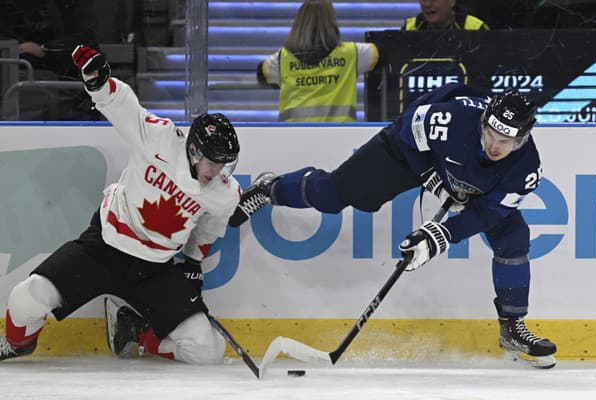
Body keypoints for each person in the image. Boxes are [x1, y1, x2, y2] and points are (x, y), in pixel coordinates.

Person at [228, 82, 558, 368]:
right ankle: (270, 188)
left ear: (523, 139)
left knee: (513, 235)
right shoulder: (452, 120)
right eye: (490, 133)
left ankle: (512, 327)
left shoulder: (526, 168)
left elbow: (488, 214)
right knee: (332, 195)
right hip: (412, 153)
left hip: (472, 183)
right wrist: (430, 176)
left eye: (506, 141)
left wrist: (442, 235)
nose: (494, 145)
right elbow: (407, 133)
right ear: (484, 121)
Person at [0, 45, 242, 365]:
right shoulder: (159, 138)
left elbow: (210, 228)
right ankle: (18, 344)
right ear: (195, 150)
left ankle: (133, 331)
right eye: (213, 163)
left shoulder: (224, 192)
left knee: (206, 351)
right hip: (102, 248)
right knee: (25, 299)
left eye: (225, 165)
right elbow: (122, 105)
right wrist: (99, 81)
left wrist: (194, 264)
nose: (218, 172)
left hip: (155, 269)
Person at [257, 0, 379, 122]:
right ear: (331, 23)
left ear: (299, 24)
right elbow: (380, 52)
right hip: (341, 136)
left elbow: (262, 73)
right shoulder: (352, 53)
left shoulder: (281, 59)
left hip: (293, 136)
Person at [402, 0, 489, 30]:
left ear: (451, 1)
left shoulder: (474, 27)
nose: (427, 4)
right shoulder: (411, 27)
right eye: (424, 0)